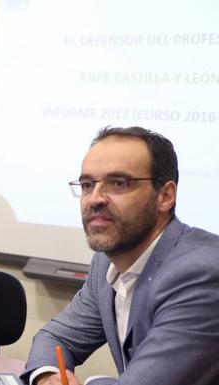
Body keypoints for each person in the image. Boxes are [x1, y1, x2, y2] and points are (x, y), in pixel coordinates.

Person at [22, 127, 219, 385]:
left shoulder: (201, 273)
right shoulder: (107, 262)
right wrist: (48, 376)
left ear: (165, 196)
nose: (95, 198)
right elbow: (55, 338)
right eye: (87, 184)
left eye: (119, 183)